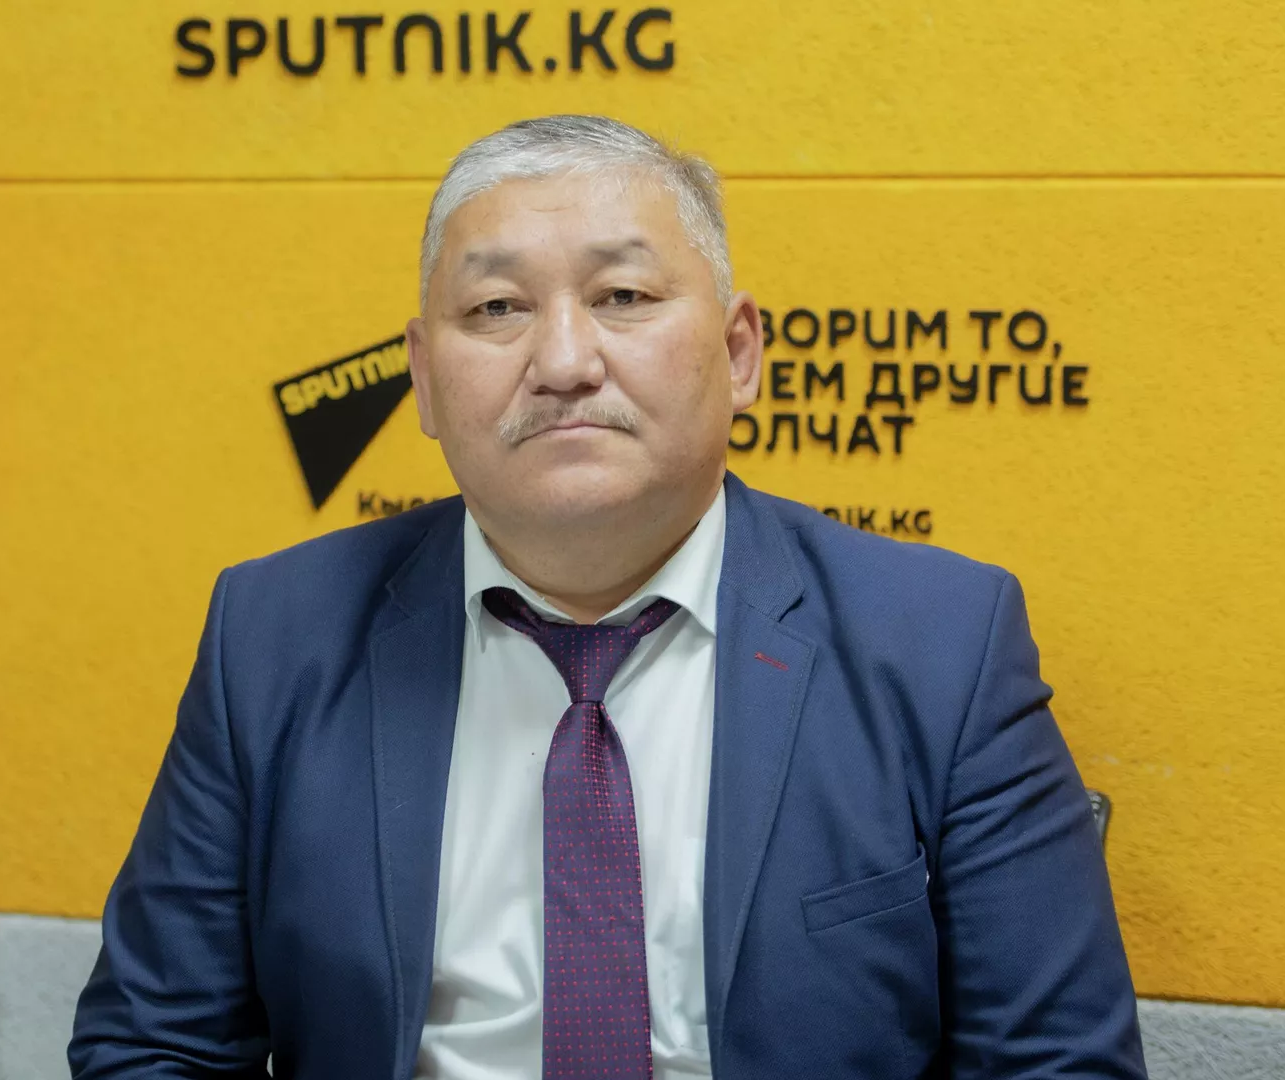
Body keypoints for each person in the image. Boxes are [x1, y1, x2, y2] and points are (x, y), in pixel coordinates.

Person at [70, 114, 1145, 1079]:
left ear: (739, 353)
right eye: (497, 308)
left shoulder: (939, 643)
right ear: (426, 380)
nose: (563, 360)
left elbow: (1058, 1064)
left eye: (622, 297)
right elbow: (154, 1045)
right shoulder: (274, 638)